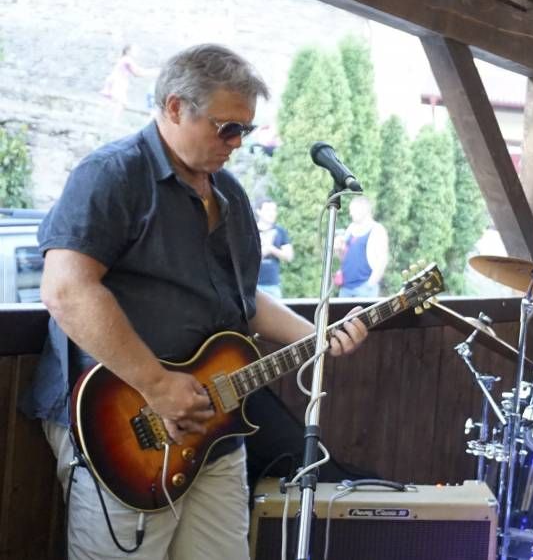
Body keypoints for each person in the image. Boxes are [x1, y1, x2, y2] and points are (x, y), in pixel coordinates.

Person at [21, 44, 370, 560]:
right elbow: (66, 290)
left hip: (216, 429)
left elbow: (241, 298)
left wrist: (317, 335)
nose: (237, 142)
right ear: (175, 107)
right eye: (226, 128)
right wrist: (158, 385)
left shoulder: (230, 194)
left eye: (246, 130)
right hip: (121, 423)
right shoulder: (112, 174)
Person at [337, 195, 388, 298]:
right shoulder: (351, 228)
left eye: (353, 210)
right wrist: (338, 248)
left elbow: (382, 260)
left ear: (364, 209)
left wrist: (370, 285)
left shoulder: (377, 230)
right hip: (346, 288)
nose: (351, 213)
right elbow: (344, 258)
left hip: (365, 288)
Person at [100, 44, 159, 120]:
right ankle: (113, 119)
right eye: (135, 50)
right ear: (128, 51)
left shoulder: (125, 59)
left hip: (116, 81)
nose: (137, 52)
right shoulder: (127, 60)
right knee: (121, 102)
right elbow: (137, 73)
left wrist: (152, 71)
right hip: (118, 82)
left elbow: (139, 70)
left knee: (113, 101)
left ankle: (106, 117)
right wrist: (153, 72)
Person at [255, 199, 293, 298]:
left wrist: (271, 248)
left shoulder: (280, 231)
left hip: (273, 286)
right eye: (268, 210)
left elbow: (289, 256)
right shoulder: (251, 230)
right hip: (252, 286)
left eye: (274, 210)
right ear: (258, 211)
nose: (272, 213)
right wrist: (264, 250)